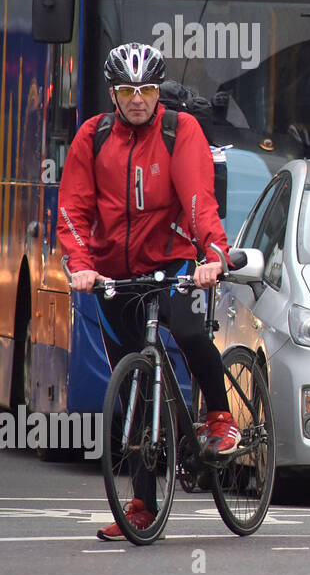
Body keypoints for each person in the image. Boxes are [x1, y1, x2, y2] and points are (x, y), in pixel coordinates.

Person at [57, 43, 235, 541]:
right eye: (129, 91)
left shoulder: (181, 131)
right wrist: (81, 265)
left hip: (174, 263)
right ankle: (141, 504)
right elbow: (73, 208)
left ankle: (220, 418)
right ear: (114, 93)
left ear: (159, 93)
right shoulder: (92, 138)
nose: (139, 100)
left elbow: (199, 199)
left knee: (187, 330)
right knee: (133, 383)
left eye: (148, 90)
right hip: (116, 276)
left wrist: (212, 256)